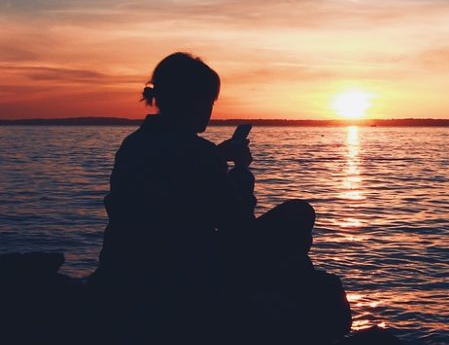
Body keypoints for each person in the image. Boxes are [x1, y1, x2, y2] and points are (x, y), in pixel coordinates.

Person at [91, 52, 316, 305]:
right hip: (182, 277)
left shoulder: (133, 145)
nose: (210, 109)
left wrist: (218, 157)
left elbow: (170, 175)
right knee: (299, 214)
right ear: (194, 101)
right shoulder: (200, 155)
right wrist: (241, 171)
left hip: (122, 271)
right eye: (210, 101)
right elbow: (238, 228)